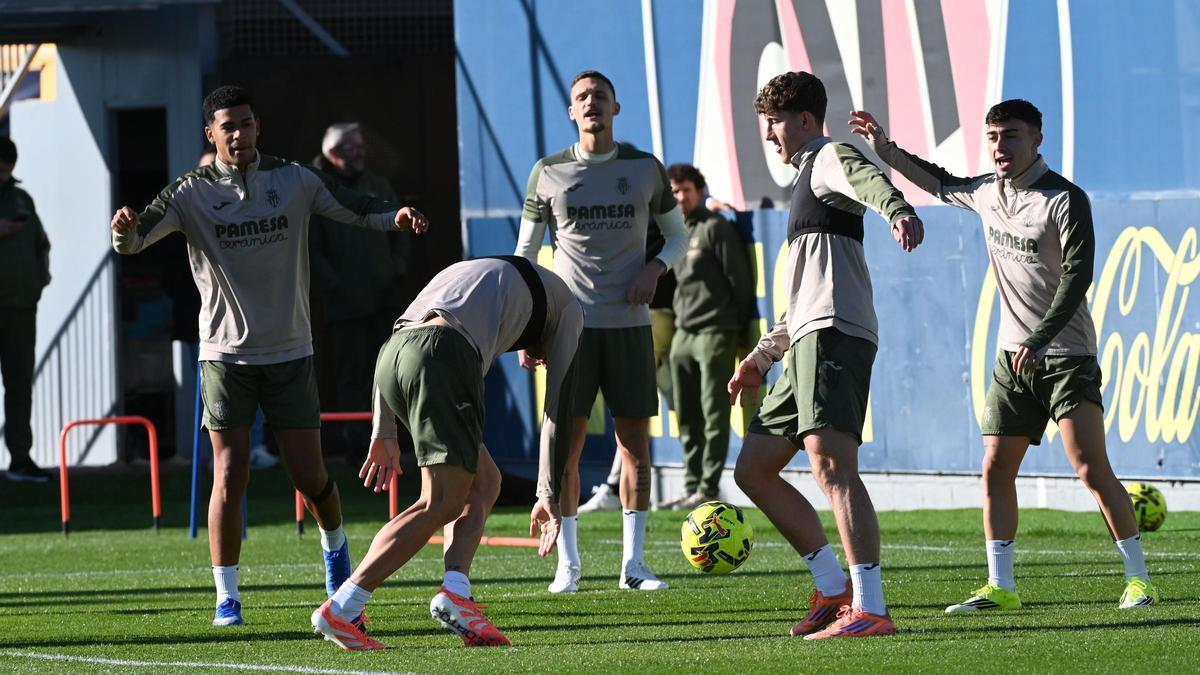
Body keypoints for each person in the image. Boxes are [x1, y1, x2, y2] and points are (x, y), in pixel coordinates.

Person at [110, 85, 428, 627]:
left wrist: (393, 216)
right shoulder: (189, 192)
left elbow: (354, 208)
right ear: (210, 135)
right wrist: (122, 232)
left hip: (289, 353)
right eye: (227, 126)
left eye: (247, 123)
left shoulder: (295, 180)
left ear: (259, 127)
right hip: (224, 357)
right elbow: (135, 239)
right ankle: (226, 597)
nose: (239, 134)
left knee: (308, 474)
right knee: (230, 473)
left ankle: (335, 552)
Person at [849, 100, 1159, 611]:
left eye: (1011, 135)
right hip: (1011, 360)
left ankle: (1138, 579)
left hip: (1065, 355)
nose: (999, 146)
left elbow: (1079, 276)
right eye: (992, 136)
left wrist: (1040, 341)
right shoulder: (988, 193)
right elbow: (940, 183)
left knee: (1089, 466)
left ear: (1037, 139)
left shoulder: (1064, 199)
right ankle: (1001, 587)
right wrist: (886, 151)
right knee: (995, 468)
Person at [728, 71, 924, 640]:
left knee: (832, 467)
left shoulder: (829, 155)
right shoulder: (803, 185)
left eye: (774, 122)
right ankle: (833, 587)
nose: (769, 134)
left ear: (806, 121)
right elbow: (798, 300)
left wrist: (898, 210)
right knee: (754, 469)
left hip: (835, 333)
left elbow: (868, 176)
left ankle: (871, 607)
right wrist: (761, 358)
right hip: (807, 338)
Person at [310, 256, 582, 650]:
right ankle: (344, 606)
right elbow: (556, 413)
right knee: (439, 502)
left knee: (485, 483)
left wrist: (383, 430)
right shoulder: (571, 309)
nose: (536, 362)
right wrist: (547, 494)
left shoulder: (476, 276)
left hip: (392, 358)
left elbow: (401, 332)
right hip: (442, 356)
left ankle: (456, 592)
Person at [516, 70, 689, 593]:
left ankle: (634, 566)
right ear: (572, 112)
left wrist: (655, 268)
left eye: (601, 96)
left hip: (630, 327)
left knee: (635, 443)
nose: (592, 103)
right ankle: (568, 564)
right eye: (582, 97)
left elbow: (679, 238)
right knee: (567, 445)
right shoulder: (547, 171)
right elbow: (524, 256)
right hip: (569, 328)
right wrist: (528, 331)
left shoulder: (645, 168)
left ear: (617, 108)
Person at [309, 123, 410, 464]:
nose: (362, 152)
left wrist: (396, 266)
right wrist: (334, 285)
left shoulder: (377, 185)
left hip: (384, 297)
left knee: (392, 369)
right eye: (353, 147)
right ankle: (357, 441)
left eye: (362, 145)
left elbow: (401, 228)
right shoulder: (316, 189)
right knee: (351, 376)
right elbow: (312, 248)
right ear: (334, 153)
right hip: (344, 305)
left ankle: (397, 436)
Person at [658, 163, 755, 510]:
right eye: (674, 191)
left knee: (714, 412)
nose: (680, 197)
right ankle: (690, 484)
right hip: (684, 332)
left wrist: (743, 332)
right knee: (685, 413)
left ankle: (709, 487)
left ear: (700, 191)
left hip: (716, 330)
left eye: (685, 190)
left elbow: (740, 283)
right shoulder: (676, 232)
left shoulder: (716, 228)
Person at [0, 137, 52, 482]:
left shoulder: (21, 198)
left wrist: (41, 277)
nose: (4, 175)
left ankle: (20, 459)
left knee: (19, 385)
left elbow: (41, 242)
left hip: (20, 308)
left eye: (8, 170)